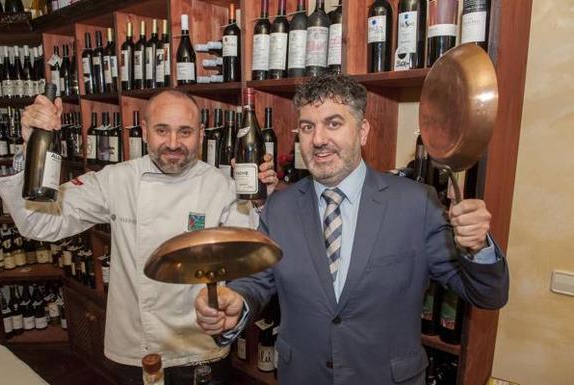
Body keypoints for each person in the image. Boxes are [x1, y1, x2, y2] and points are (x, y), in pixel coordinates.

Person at [194, 74, 509, 385]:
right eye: (307, 127)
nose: (318, 140)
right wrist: (238, 300)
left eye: (333, 123)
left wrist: (478, 247)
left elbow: (487, 294)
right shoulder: (280, 207)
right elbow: (258, 281)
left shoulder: (416, 203)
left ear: (362, 131)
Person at [0, 89, 278, 385]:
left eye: (185, 132)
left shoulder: (222, 186)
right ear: (144, 131)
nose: (173, 144)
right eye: (161, 130)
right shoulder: (116, 180)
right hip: (137, 350)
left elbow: (250, 261)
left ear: (201, 134)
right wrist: (29, 149)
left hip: (201, 349)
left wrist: (262, 199)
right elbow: (38, 222)